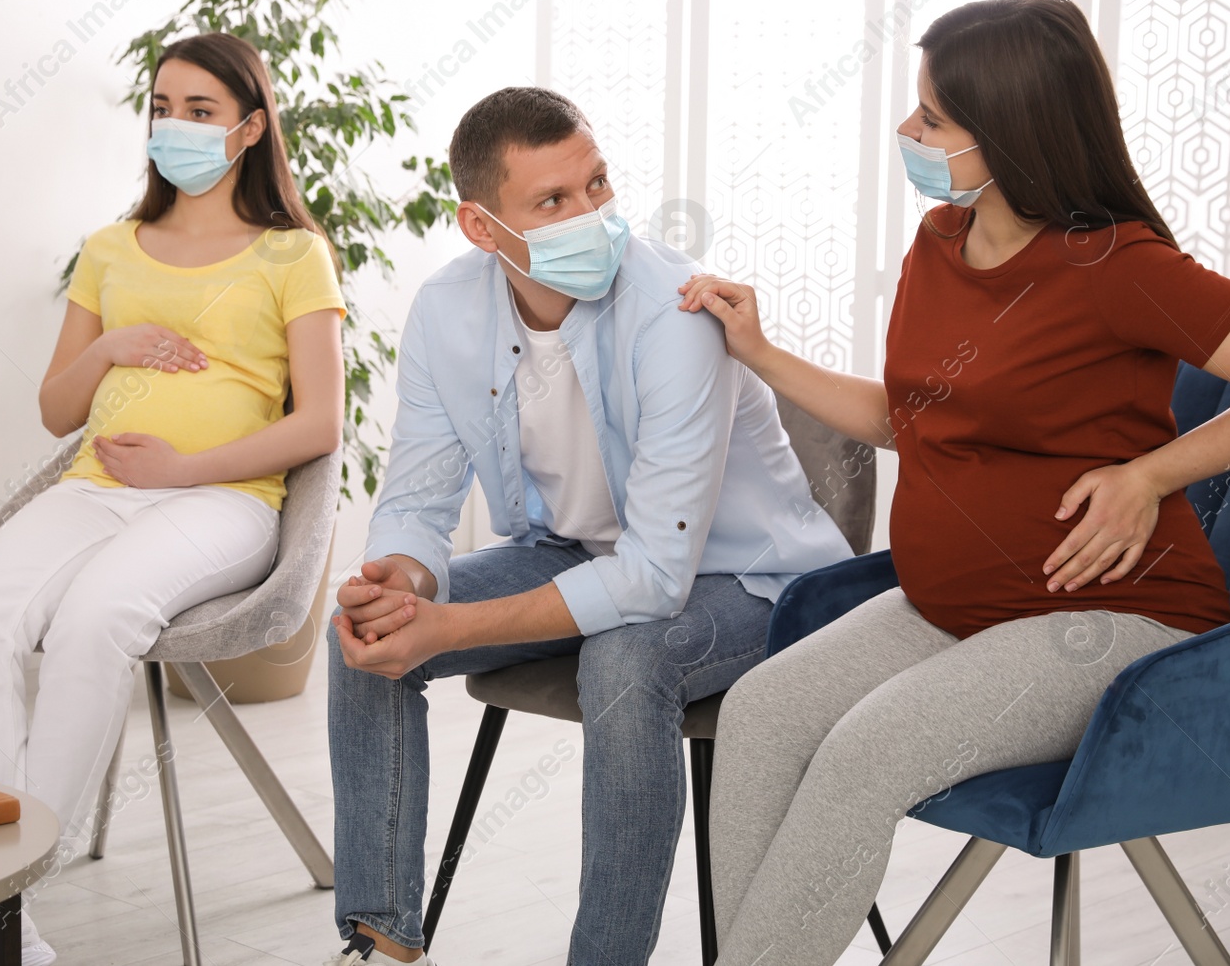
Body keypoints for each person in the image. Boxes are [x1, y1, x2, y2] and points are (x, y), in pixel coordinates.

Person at [686, 0, 1230, 966]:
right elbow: (904, 418)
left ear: (1007, 130)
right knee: (757, 713)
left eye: (931, 117)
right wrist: (758, 351)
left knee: (861, 754)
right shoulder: (937, 244)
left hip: (1113, 620)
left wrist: (1150, 472)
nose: (907, 132)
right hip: (954, 605)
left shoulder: (1114, 265)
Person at [323, 87, 855, 966]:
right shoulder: (447, 310)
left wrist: (450, 624)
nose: (594, 214)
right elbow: (417, 501)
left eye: (598, 184)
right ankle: (381, 942)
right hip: (574, 553)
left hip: (752, 580)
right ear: (483, 228)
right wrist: (403, 584)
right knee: (368, 634)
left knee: (626, 655)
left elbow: (653, 581)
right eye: (554, 201)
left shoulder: (674, 313)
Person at [0, 32, 346, 966]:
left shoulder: (292, 255)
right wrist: (112, 347)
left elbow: (320, 423)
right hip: (95, 488)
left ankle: (8, 891)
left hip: (225, 502)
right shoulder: (112, 247)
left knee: (94, 620)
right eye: (163, 107)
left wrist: (181, 471)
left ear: (249, 128)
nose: (175, 125)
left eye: (201, 111)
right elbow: (53, 408)